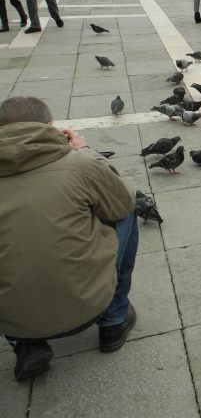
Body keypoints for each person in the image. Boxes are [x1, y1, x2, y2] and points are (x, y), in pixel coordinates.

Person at [0, 96, 138, 383]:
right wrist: (86, 152)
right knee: (127, 208)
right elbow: (122, 202)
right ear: (51, 126)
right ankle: (114, 320)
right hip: (88, 304)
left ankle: (26, 345)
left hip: (12, 320)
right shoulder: (78, 164)